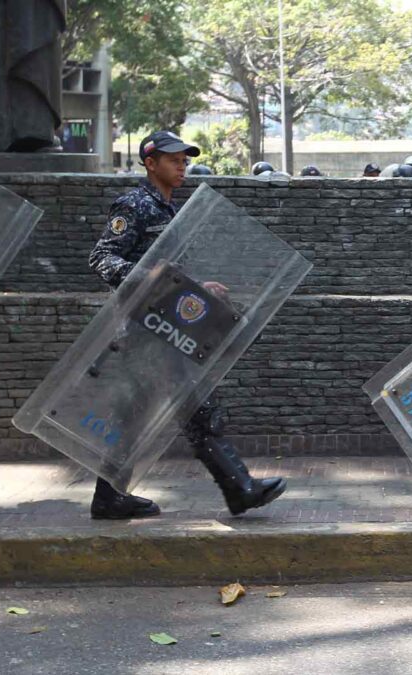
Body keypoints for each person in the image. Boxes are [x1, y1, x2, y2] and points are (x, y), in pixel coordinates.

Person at [88, 130, 287, 519]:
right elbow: (102, 259)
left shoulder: (170, 210)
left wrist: (198, 287)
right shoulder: (134, 205)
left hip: (165, 327)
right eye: (174, 159)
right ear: (150, 162)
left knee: (139, 416)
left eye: (185, 159)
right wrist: (148, 276)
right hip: (143, 331)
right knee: (196, 409)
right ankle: (239, 488)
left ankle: (109, 497)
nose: (183, 165)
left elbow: (171, 275)